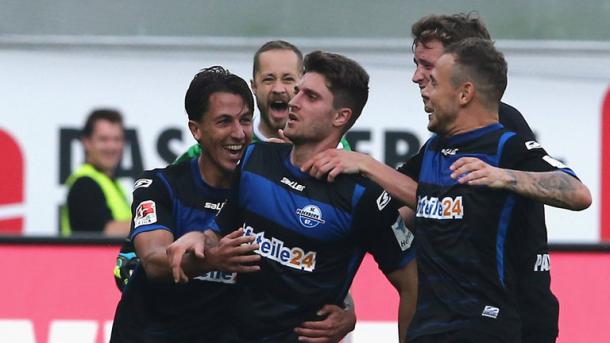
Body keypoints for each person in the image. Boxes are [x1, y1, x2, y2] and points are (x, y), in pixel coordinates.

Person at [301, 13, 573, 343]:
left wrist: (366, 164)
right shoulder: (438, 145)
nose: (417, 77)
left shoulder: (501, 126)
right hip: (447, 321)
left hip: (513, 316)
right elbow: (403, 212)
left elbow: (575, 192)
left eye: (427, 67)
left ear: (463, 76)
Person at [167, 51, 418, 343]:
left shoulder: (362, 195)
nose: (293, 102)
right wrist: (199, 237)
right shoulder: (254, 159)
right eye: (298, 91)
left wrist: (351, 314)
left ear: (341, 116)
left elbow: (411, 281)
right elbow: (219, 232)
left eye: (310, 97)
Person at [110, 66, 261, 343]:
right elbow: (154, 263)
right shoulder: (160, 186)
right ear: (196, 130)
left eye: (245, 120)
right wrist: (213, 259)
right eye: (224, 121)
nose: (238, 133)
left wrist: (346, 310)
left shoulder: (263, 193)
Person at [174, 40, 351, 164]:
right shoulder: (213, 148)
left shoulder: (331, 146)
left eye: (288, 79)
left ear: (302, 84)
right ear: (254, 86)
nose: (278, 89)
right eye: (268, 79)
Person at [60, 108, 131, 236]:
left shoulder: (111, 183)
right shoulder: (84, 184)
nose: (111, 147)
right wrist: (152, 223)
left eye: (117, 139)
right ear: (87, 142)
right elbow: (100, 234)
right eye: (104, 139)